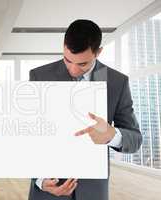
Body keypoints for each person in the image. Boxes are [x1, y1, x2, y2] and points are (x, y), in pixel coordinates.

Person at [28, 19, 142, 200]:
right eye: (68, 60)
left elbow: (135, 139)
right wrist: (40, 180)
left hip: (93, 192)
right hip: (48, 190)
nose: (73, 69)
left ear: (99, 52)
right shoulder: (39, 76)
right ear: (63, 46)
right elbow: (28, 137)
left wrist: (112, 135)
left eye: (82, 64)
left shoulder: (117, 82)